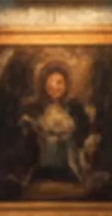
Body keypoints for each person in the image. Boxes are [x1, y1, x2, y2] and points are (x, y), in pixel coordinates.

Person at [16, 58, 105, 195]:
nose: (55, 87)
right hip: (40, 170)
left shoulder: (75, 108)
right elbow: (27, 144)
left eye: (59, 82)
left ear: (66, 85)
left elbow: (84, 135)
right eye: (50, 82)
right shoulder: (33, 108)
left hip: (70, 169)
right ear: (43, 84)